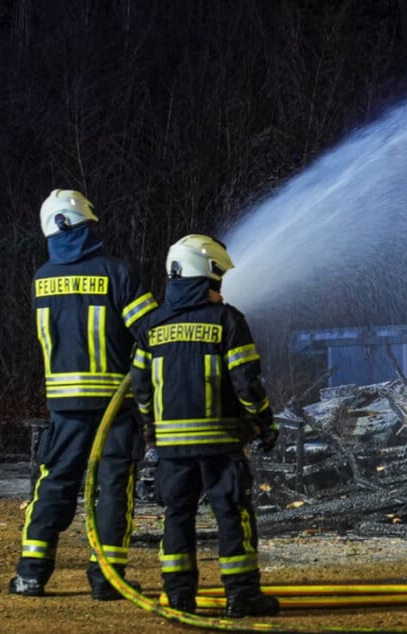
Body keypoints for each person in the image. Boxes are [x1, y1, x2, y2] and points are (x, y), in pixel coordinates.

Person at [11, 189, 158, 600]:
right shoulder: (116, 272)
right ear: (88, 225)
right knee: (112, 489)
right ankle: (106, 580)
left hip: (63, 409)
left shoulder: (41, 278)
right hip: (114, 406)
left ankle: (30, 575)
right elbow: (152, 334)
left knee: (54, 484)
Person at [130, 234, 279, 617]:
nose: (219, 288)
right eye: (216, 280)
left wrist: (151, 426)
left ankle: (179, 596)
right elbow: (246, 383)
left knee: (177, 516)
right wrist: (264, 421)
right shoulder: (227, 320)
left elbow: (141, 387)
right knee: (231, 513)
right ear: (204, 276)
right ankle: (242, 597)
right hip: (221, 445)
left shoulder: (152, 325)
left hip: (172, 449)